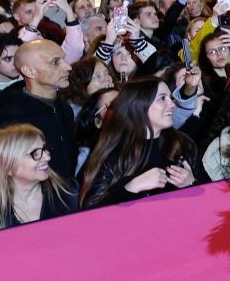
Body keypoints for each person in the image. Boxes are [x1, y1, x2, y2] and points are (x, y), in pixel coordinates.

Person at [79, 77, 208, 208]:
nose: (172, 104)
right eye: (162, 98)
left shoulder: (182, 144)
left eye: (169, 97)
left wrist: (191, 185)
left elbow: (209, 198)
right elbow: (91, 211)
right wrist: (131, 187)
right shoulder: (115, 151)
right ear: (139, 106)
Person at [0, 40, 80, 185]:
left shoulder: (65, 109)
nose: (67, 67)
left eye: (64, 59)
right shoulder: (11, 119)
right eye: (55, 62)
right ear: (29, 71)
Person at [0, 123, 77, 236]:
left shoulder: (69, 194)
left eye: (44, 149)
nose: (47, 157)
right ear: (7, 166)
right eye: (35, 153)